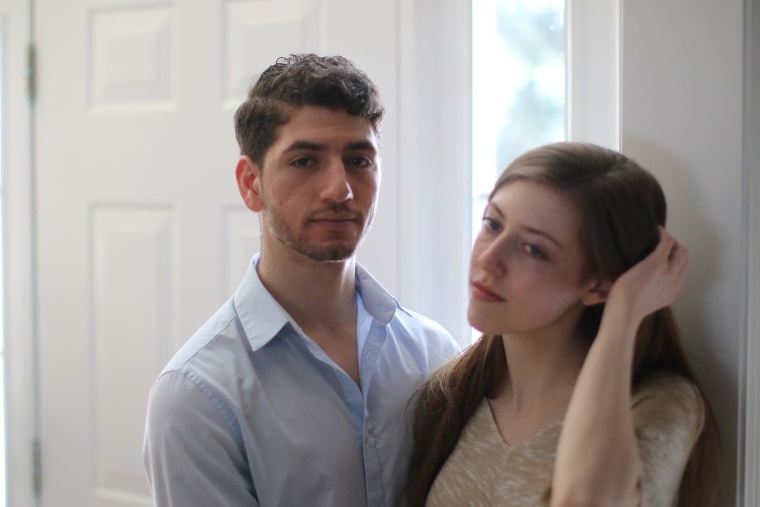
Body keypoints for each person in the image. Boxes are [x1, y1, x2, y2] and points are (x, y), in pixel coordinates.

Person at [142, 53, 460, 507]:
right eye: (306, 161)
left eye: (358, 160)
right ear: (251, 183)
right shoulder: (196, 396)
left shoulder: (434, 354)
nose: (340, 189)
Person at [406, 142, 722, 507]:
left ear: (600, 284)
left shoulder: (656, 404)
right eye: (493, 224)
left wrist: (623, 317)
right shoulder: (450, 394)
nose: (489, 259)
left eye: (533, 249)